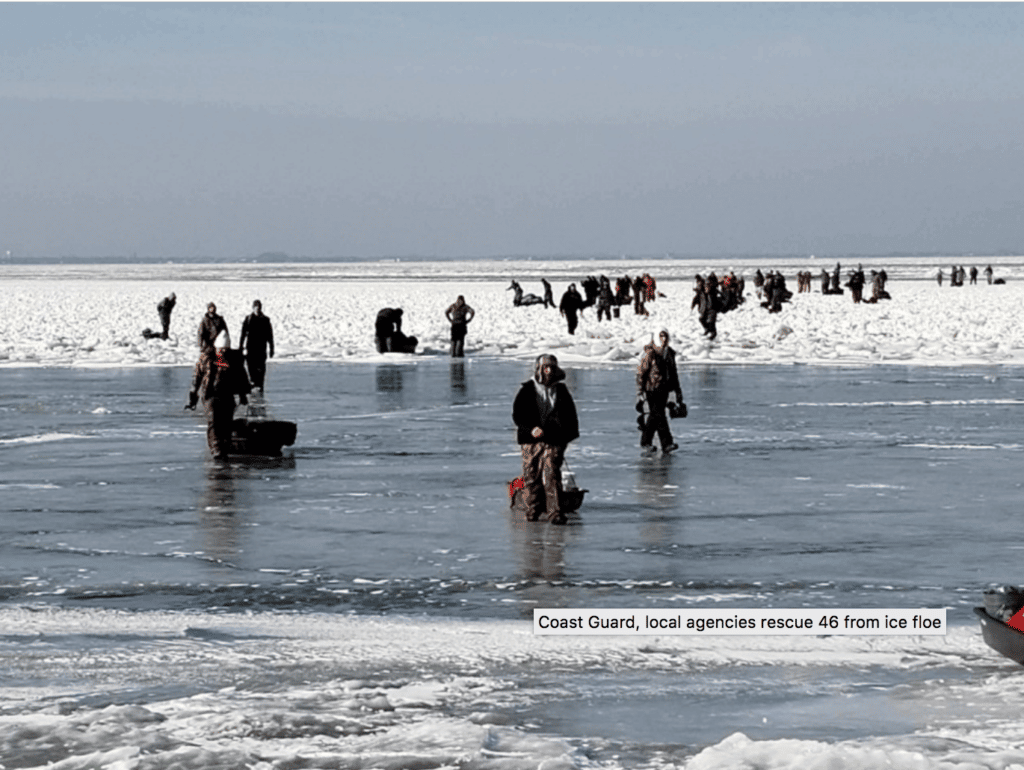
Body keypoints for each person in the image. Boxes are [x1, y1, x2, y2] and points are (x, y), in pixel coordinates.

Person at [512, 354, 580, 524]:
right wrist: (531, 429)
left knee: (551, 474)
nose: (548, 370)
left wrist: (564, 438)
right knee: (531, 475)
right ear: (539, 369)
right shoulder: (527, 389)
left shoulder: (561, 391)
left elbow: (570, 417)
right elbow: (518, 414)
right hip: (531, 440)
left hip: (554, 439)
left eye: (551, 367)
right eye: (545, 367)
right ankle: (533, 509)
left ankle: (555, 513)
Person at [186, 330, 251, 461]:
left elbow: (241, 378)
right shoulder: (206, 358)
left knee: (226, 423)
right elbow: (196, 377)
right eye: (221, 349)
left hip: (227, 394)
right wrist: (193, 397)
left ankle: (225, 447)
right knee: (214, 422)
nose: (222, 352)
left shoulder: (234, 360)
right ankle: (216, 449)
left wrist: (243, 395)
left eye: (225, 349)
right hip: (210, 395)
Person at [636, 330, 684, 454]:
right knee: (658, 414)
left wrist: (678, 392)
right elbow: (641, 372)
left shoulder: (669, 353)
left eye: (666, 336)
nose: (664, 339)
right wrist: (640, 391)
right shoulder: (650, 353)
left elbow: (674, 374)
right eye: (661, 336)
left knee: (656, 415)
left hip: (665, 389)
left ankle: (647, 442)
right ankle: (665, 443)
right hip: (651, 388)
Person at [239, 300, 275, 393]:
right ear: (253, 308)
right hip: (251, 348)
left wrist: (271, 348)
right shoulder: (248, 319)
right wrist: (240, 346)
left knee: (261, 368)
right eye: (255, 307)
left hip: (261, 348)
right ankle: (253, 382)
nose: (257, 309)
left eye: (259, 307)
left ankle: (260, 385)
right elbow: (243, 334)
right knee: (251, 366)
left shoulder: (265, 320)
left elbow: (269, 335)